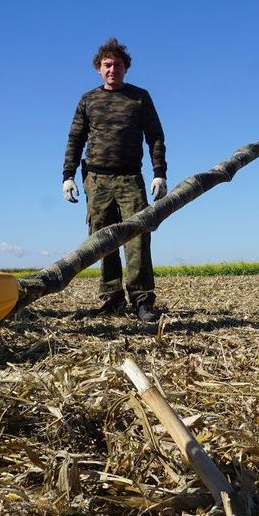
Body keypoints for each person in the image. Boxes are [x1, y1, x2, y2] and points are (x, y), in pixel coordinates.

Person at [62, 38, 167, 323]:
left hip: (130, 179)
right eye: (107, 65)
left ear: (125, 68)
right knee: (101, 240)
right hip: (96, 180)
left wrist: (160, 173)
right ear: (99, 68)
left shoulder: (140, 98)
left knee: (138, 238)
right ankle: (112, 298)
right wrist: (68, 176)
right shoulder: (88, 99)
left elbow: (155, 136)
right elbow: (75, 139)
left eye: (117, 65)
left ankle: (142, 299)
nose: (112, 70)